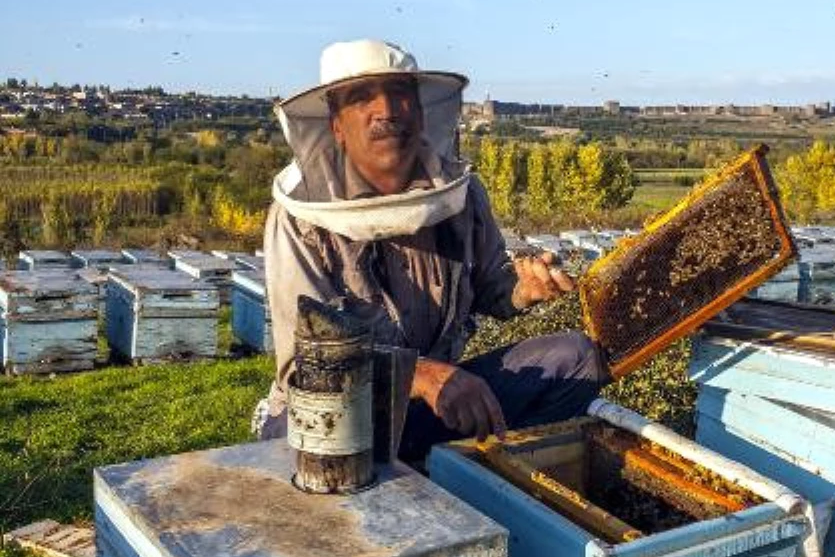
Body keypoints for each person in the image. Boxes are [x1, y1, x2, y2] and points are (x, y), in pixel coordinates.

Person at [256, 38, 609, 461]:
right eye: (362, 97)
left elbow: (492, 288)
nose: (386, 111)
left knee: (576, 359)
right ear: (336, 125)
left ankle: (485, 481)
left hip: (436, 404)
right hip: (330, 416)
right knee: (331, 453)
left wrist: (523, 289)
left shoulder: (460, 195)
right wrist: (416, 375)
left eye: (400, 94)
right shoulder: (299, 218)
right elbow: (307, 364)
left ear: (421, 112)